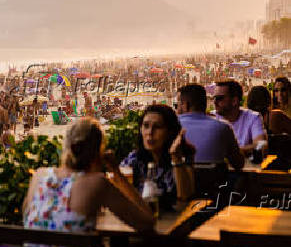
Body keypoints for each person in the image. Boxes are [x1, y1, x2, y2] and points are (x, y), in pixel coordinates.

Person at [23, 117, 154, 233]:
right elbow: (146, 223)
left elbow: (27, 218)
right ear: (98, 152)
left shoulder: (39, 175)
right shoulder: (98, 183)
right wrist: (117, 173)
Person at [120, 104, 195, 209]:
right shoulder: (135, 158)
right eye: (146, 126)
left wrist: (175, 157)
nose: (150, 132)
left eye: (158, 127)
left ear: (170, 132)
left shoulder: (181, 159)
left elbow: (184, 197)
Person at [177, 84, 244, 169]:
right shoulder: (223, 128)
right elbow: (239, 164)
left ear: (186, 105)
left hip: (179, 181)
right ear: (205, 104)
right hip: (215, 181)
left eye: (178, 105)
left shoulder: (170, 126)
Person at [214, 80, 267, 155]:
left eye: (219, 98)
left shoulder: (253, 118)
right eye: (214, 98)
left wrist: (230, 152)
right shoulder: (211, 117)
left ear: (234, 101)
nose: (215, 102)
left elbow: (262, 146)